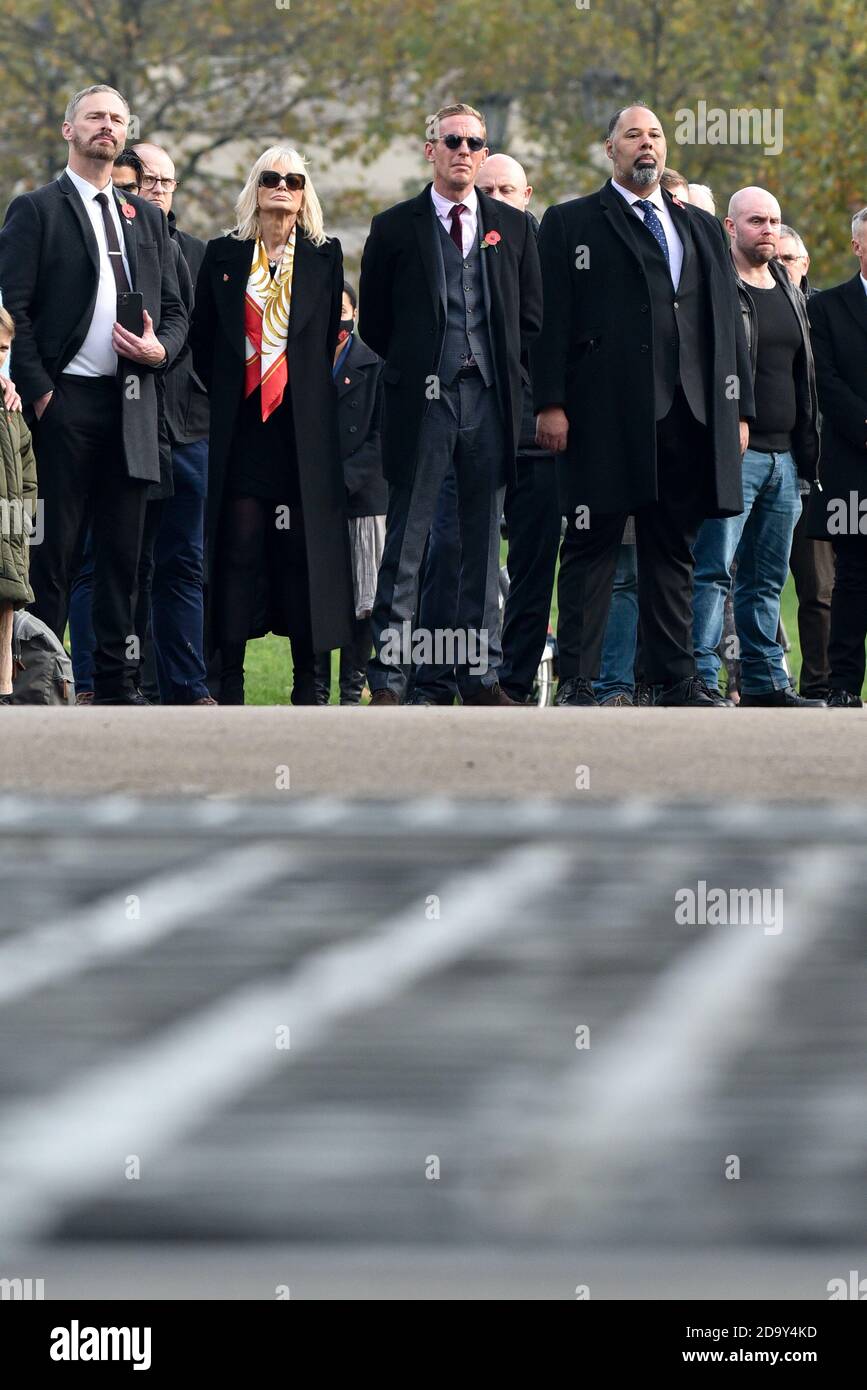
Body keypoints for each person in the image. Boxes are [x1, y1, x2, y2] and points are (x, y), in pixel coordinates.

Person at [533, 103, 753, 707]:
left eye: (655, 134)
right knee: (591, 546)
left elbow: (726, 328)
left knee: (672, 549)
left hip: (689, 412)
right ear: (610, 149)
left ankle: (674, 678)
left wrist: (738, 409)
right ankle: (579, 680)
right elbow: (549, 324)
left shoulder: (701, 227)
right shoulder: (572, 222)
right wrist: (550, 403)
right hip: (602, 416)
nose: (645, 143)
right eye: (633, 134)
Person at [0, 84, 187, 705]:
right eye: (95, 117)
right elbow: (14, 311)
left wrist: (161, 351)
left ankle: (116, 685)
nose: (107, 127)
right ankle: (42, 681)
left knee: (123, 557)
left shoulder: (149, 218)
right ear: (68, 130)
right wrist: (42, 393)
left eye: (116, 119)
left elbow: (174, 310)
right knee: (50, 555)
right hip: (64, 404)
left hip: (134, 404)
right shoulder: (36, 209)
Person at [359, 102, 542, 706]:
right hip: (424, 402)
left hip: (489, 400)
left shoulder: (513, 227)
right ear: (429, 149)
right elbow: (377, 324)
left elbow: (528, 320)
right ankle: (388, 679)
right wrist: (420, 371)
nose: (463, 150)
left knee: (483, 546)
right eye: (452, 141)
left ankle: (481, 676)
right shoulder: (394, 226)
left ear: (484, 154)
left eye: (474, 143)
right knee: (407, 545)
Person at [191, 146, 354, 704]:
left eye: (293, 179)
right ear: (254, 188)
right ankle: (225, 680)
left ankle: (307, 683)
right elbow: (204, 340)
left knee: (303, 557)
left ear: (305, 192)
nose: (281, 187)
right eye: (270, 177)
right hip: (242, 434)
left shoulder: (325, 256)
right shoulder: (221, 255)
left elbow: (324, 340)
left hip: (302, 436)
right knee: (236, 550)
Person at [692, 187, 824, 707]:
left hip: (786, 458)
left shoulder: (789, 288)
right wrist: (730, 422)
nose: (767, 229)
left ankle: (767, 682)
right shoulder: (716, 287)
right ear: (730, 227)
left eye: (773, 220)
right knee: (713, 570)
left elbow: (803, 375)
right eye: (755, 221)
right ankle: (701, 678)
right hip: (736, 456)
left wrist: (806, 448)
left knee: (765, 580)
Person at [130, 141, 215, 705]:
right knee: (112, 559)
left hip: (189, 425)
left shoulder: (200, 255)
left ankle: (185, 687)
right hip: (124, 423)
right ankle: (99, 683)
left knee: (182, 561)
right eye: (148, 180)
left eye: (168, 181)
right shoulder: (111, 246)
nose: (159, 188)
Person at [476, 153, 561, 705]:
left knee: (533, 570)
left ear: (527, 194)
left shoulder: (553, 253)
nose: (500, 199)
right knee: (468, 564)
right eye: (490, 190)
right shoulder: (456, 250)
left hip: (538, 437)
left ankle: (514, 679)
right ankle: (463, 674)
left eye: (509, 189)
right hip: (473, 432)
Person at [314, 281, 386, 704]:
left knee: (364, 599)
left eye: (342, 309)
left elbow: (382, 436)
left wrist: (345, 479)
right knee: (322, 597)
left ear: (354, 314)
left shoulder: (375, 362)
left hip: (364, 498)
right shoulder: (303, 362)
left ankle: (351, 687)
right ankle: (316, 690)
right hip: (316, 500)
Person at [806, 207, 867, 707]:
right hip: (854, 464)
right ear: (857, 246)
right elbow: (825, 380)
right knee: (852, 579)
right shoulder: (827, 308)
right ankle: (844, 685)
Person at [777, 223, 834, 701]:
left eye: (790, 260)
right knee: (762, 579)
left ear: (805, 264)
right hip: (780, 465)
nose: (782, 268)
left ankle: (824, 682)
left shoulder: (825, 316)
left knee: (821, 588)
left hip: (827, 471)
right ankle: (763, 679)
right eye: (775, 260)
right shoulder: (756, 309)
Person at [0, 309, 38, 704]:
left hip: (8, 528)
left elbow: (28, 474)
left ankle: (6, 690)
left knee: (7, 605)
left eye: (3, 349)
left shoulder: (11, 409)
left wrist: (23, 520)